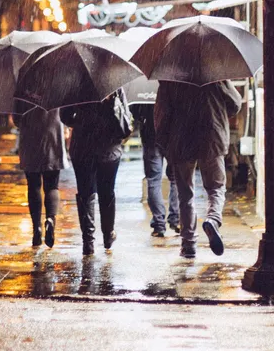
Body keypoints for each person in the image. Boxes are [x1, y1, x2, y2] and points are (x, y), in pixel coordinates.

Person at [154, 78, 242, 258]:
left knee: (185, 194)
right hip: (211, 136)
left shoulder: (170, 78)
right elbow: (235, 103)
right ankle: (213, 219)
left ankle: (188, 244)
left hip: (181, 141)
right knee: (216, 187)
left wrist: (166, 144)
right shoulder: (215, 74)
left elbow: (161, 118)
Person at [63, 89, 133, 256]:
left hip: (83, 147)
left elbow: (65, 116)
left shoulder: (76, 84)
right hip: (108, 149)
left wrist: (81, 120)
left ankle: (88, 241)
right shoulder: (114, 85)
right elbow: (125, 116)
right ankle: (108, 234)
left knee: (85, 193)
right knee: (107, 192)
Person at [17, 107, 65, 249]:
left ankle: (36, 228)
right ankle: (50, 219)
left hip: (29, 137)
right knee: (52, 185)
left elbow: (16, 118)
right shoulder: (58, 85)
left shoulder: (23, 87)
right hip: (53, 135)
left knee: (33, 185)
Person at [132, 101, 179, 237]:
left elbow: (135, 111)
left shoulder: (143, 86)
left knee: (153, 180)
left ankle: (159, 225)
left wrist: (144, 118)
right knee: (176, 178)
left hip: (150, 135)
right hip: (172, 135)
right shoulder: (174, 82)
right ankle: (176, 219)